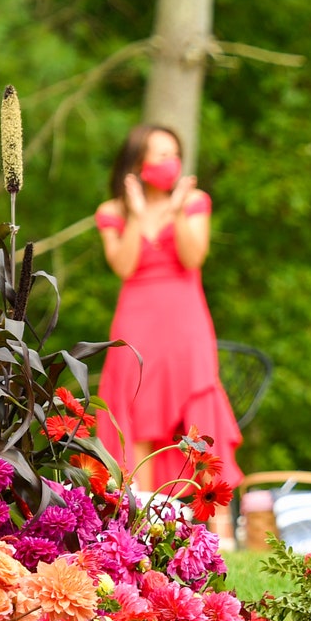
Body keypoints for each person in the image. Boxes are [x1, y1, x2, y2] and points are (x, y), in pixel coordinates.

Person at [93, 125, 243, 532]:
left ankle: (222, 531)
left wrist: (174, 212)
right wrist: (139, 215)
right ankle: (143, 528)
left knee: (200, 413)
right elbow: (124, 265)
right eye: (161, 155)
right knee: (137, 412)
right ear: (138, 162)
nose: (170, 163)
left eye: (174, 154)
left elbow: (194, 258)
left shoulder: (193, 202)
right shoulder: (113, 211)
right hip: (136, 320)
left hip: (185, 320)